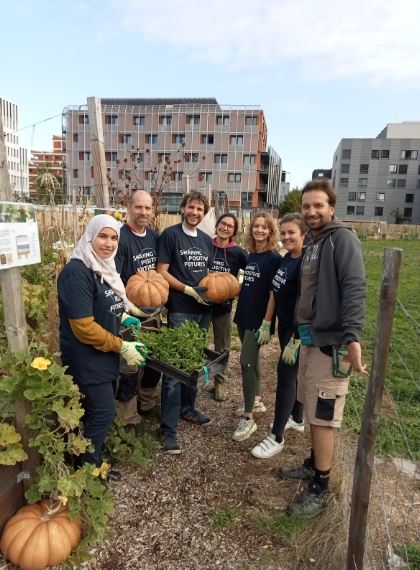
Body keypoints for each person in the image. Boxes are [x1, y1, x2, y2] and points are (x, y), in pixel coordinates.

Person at [279, 179, 366, 517]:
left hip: (331, 344)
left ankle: (321, 488)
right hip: (311, 339)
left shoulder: (341, 240)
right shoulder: (314, 240)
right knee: (311, 405)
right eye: (307, 206)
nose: (312, 212)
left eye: (318, 206)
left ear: (331, 207)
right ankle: (314, 464)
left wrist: (352, 337)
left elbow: (354, 287)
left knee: (323, 416)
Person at [57, 214, 146, 476]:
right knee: (103, 412)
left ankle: (91, 458)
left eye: (114, 237)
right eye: (102, 236)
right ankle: (87, 471)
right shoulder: (77, 272)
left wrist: (123, 315)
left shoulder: (102, 267)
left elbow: (105, 303)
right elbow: (83, 327)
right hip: (86, 357)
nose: (108, 243)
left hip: (104, 354)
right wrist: (122, 346)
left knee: (95, 413)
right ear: (90, 237)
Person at [156, 191, 213, 454]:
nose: (195, 212)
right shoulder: (171, 235)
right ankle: (167, 429)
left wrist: (214, 292)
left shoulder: (205, 240)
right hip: (180, 308)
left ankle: (188, 409)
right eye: (191, 207)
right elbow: (162, 273)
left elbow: (209, 274)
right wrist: (188, 290)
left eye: (200, 209)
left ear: (204, 213)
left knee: (194, 363)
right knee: (174, 368)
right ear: (183, 208)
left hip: (203, 310)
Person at [251, 213, 306, 459]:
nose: (286, 237)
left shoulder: (307, 264)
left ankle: (276, 436)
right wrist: (266, 322)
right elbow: (275, 290)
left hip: (299, 331)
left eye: (291, 232)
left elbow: (307, 303)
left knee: (286, 376)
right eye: (283, 233)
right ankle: (296, 418)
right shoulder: (287, 259)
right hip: (284, 324)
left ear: (303, 233)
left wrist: (296, 338)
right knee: (295, 374)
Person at [232, 212, 281, 442]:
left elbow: (273, 293)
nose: (259, 230)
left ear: (271, 231)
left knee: (245, 362)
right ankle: (257, 399)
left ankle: (248, 417)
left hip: (259, 320)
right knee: (254, 360)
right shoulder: (252, 255)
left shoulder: (274, 259)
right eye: (256, 226)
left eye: (264, 227)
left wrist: (267, 322)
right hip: (244, 314)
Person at [115, 190, 161, 423]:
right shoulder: (120, 238)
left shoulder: (154, 236)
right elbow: (113, 279)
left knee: (154, 360)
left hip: (153, 310)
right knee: (130, 366)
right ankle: (128, 416)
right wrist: (126, 310)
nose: (143, 212)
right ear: (129, 208)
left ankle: (148, 403)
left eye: (147, 208)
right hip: (128, 312)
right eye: (139, 207)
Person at [210, 213, 248, 402]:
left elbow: (252, 272)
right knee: (196, 341)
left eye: (230, 226)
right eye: (223, 224)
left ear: (234, 231)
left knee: (222, 346)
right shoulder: (205, 245)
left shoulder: (238, 252)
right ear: (217, 225)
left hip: (223, 305)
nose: (225, 228)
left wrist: (236, 289)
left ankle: (220, 382)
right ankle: (194, 379)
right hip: (199, 303)